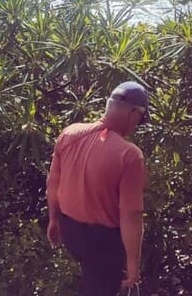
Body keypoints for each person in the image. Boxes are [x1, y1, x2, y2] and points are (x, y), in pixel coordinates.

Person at [46, 81, 149, 295]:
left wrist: (54, 220)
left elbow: (53, 183)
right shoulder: (129, 155)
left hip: (70, 230)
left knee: (91, 276)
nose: (138, 124)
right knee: (100, 285)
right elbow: (131, 214)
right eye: (141, 118)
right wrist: (133, 263)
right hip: (103, 241)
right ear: (132, 113)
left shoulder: (69, 134)